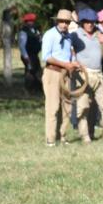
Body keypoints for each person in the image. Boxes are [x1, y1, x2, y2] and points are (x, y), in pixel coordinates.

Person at [71, 8, 103, 142]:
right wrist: (74, 62)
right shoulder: (75, 35)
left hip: (98, 73)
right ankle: (85, 135)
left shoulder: (99, 34)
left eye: (92, 22)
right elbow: (69, 50)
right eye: (87, 22)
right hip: (83, 74)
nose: (90, 24)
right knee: (83, 106)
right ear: (82, 22)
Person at [41, 9, 79, 146]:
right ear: (57, 21)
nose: (64, 24)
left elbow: (70, 53)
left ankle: (62, 135)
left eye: (67, 22)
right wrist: (65, 64)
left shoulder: (69, 36)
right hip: (53, 73)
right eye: (62, 21)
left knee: (67, 106)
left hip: (66, 74)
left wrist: (73, 62)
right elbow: (46, 57)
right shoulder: (50, 35)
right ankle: (50, 139)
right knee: (53, 106)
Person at [18, 12, 42, 90]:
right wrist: (26, 57)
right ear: (26, 22)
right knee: (30, 71)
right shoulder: (23, 32)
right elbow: (22, 46)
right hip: (28, 55)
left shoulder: (35, 30)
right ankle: (29, 89)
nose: (31, 22)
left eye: (32, 21)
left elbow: (40, 40)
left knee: (37, 71)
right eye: (29, 21)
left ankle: (37, 88)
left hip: (35, 55)